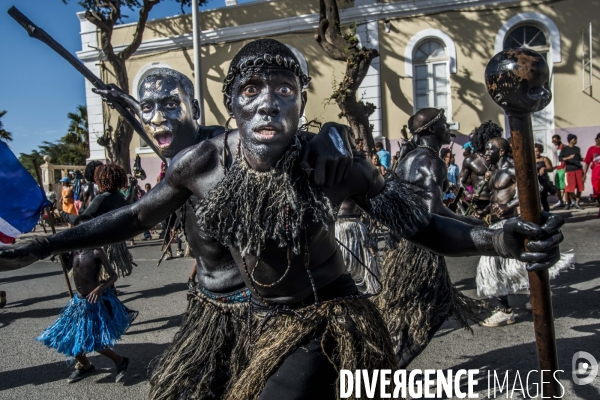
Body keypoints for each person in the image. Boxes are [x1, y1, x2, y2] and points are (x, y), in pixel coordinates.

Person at [0, 39, 563, 398]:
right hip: (229, 321)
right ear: (232, 108)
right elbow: (131, 218)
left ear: (299, 101)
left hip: (319, 319)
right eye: (251, 90)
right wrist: (40, 246)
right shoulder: (203, 164)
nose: (268, 102)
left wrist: (495, 239)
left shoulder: (330, 164)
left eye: (283, 90)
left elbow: (418, 225)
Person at [91, 62, 356, 398]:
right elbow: (138, 203)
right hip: (207, 301)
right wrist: (120, 98)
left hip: (246, 306)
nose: (157, 119)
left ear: (195, 111)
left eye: (171, 106)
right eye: (148, 109)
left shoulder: (215, 148)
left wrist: (335, 131)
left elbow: (293, 139)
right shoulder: (176, 153)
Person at [379, 108, 484, 368]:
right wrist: (469, 222)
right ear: (430, 130)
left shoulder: (409, 158)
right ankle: (387, 373)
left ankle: (383, 369)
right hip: (420, 249)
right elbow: (431, 211)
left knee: (409, 313)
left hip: (402, 245)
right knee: (432, 313)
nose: (449, 128)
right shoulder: (431, 161)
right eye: (444, 124)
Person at [477, 138, 572, 326]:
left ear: (502, 152)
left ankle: (521, 303)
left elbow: (534, 189)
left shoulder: (512, 169)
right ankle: (509, 308)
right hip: (496, 225)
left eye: (490, 149)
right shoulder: (494, 172)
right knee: (495, 268)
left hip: (512, 223)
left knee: (517, 263)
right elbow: (495, 199)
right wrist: (484, 211)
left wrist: (508, 207)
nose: (486, 153)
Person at [36, 214, 134, 383]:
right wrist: (60, 254)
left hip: (93, 302)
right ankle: (86, 366)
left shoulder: (96, 251)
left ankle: (120, 361)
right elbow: (69, 267)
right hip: (79, 302)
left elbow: (113, 276)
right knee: (68, 339)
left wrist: (99, 288)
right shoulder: (73, 250)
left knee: (92, 341)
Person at [61, 164, 134, 279]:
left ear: (100, 179)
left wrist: (63, 214)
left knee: (97, 277)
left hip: (102, 244)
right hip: (116, 242)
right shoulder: (119, 197)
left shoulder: (102, 198)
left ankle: (105, 293)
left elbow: (82, 220)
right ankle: (109, 292)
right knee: (107, 276)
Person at [459, 121, 503, 217]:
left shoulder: (499, 159)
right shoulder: (471, 159)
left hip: (496, 202)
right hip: (478, 204)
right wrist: (469, 195)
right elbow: (460, 182)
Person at [559, 133, 584, 209]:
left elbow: (578, 158)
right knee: (569, 188)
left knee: (580, 187)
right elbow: (560, 158)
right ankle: (571, 201)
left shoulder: (577, 149)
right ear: (570, 140)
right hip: (569, 170)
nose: (576, 140)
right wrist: (568, 158)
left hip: (578, 169)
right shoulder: (565, 149)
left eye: (576, 139)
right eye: (574, 139)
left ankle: (577, 202)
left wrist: (586, 159)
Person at [535, 143, 555, 212]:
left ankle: (546, 213)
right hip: (534, 181)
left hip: (543, 181)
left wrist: (544, 168)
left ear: (540, 151)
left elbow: (551, 168)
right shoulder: (531, 159)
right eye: (534, 151)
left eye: (537, 151)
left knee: (543, 198)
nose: (536, 153)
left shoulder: (544, 159)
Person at [584, 132, 600, 216]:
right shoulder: (592, 149)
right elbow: (587, 162)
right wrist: (584, 174)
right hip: (596, 175)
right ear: (597, 139)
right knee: (597, 193)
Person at [551, 134, 566, 208]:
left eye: (555, 140)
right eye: (553, 140)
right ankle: (560, 201)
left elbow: (565, 159)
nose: (553, 142)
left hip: (563, 169)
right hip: (558, 168)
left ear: (559, 139)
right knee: (557, 186)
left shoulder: (564, 147)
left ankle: (564, 201)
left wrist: (565, 168)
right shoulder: (557, 148)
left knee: (563, 186)